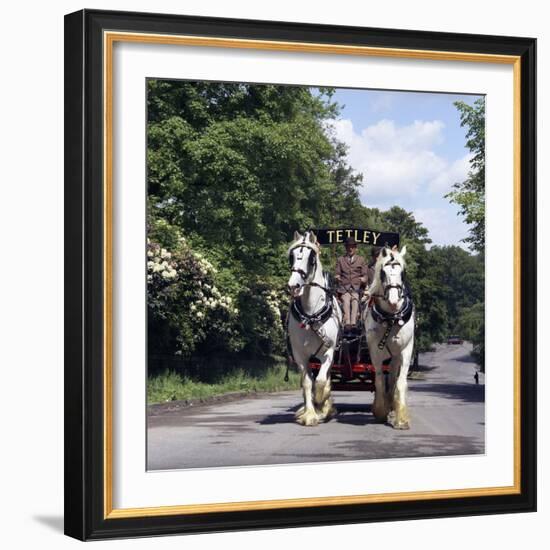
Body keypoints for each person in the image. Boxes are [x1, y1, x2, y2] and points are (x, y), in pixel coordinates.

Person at [335, 237, 369, 331]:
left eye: (352, 247)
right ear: (346, 248)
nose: (350, 249)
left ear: (355, 248)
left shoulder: (361, 260)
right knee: (346, 300)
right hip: (344, 288)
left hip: (356, 288)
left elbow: (365, 275)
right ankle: (347, 324)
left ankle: (353, 324)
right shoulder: (340, 260)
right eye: (348, 247)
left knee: (355, 300)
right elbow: (337, 273)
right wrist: (337, 278)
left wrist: (363, 279)